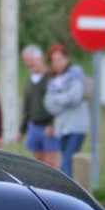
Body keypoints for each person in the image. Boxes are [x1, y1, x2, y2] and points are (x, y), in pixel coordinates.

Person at [43, 43, 90, 178]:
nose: (57, 63)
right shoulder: (53, 80)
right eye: (54, 60)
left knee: (68, 164)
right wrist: (64, 99)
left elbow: (74, 97)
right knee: (65, 161)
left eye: (60, 59)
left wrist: (56, 98)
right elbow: (48, 104)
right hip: (61, 128)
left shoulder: (76, 76)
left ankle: (67, 194)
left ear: (67, 59)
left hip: (76, 126)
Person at [14, 44, 60, 170]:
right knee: (38, 166)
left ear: (40, 58)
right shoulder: (29, 82)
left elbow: (58, 103)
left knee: (51, 165)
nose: (29, 63)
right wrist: (21, 131)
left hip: (49, 127)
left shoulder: (52, 77)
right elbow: (27, 109)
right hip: (34, 127)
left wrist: (53, 124)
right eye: (26, 61)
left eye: (31, 60)